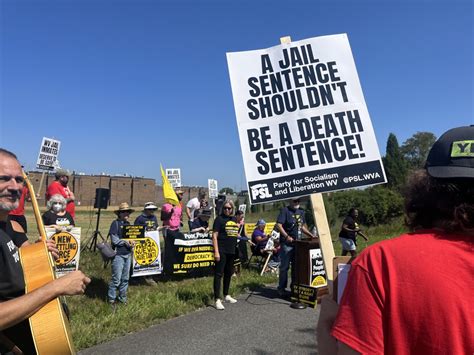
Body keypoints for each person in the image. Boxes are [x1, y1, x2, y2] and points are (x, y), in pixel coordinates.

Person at [324, 126, 474, 354]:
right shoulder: (376, 263)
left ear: (424, 187)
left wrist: (329, 321)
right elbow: (349, 228)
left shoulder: (380, 263)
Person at [0, 148, 90, 354]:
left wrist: (37, 252)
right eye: (4, 179)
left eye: (18, 179)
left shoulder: (9, 225)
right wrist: (56, 288)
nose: (15, 187)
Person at [276, 198, 317, 297]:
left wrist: (311, 235)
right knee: (284, 267)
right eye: (295, 201)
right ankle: (281, 288)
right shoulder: (285, 211)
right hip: (287, 244)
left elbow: (302, 226)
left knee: (296, 267)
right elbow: (279, 225)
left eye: (298, 201)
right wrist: (286, 236)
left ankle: (294, 288)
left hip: (298, 244)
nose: (297, 203)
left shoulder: (301, 211)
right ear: (290, 201)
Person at [212, 199, 239, 310]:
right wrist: (216, 252)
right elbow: (214, 236)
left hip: (231, 250)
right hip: (221, 250)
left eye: (229, 208)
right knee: (219, 274)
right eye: (225, 208)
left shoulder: (233, 219)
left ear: (232, 209)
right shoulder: (219, 219)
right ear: (222, 208)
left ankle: (226, 294)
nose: (227, 210)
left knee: (229, 273)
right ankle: (217, 299)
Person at [108, 202, 135, 307]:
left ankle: (122, 298)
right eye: (124, 212)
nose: (126, 213)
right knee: (116, 279)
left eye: (128, 211)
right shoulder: (115, 224)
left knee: (125, 278)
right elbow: (114, 240)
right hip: (118, 255)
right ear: (119, 213)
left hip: (128, 254)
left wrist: (132, 243)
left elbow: (132, 238)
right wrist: (125, 241)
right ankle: (111, 299)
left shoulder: (128, 225)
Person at [133, 202, 159, 286]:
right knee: (141, 259)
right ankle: (137, 278)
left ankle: (149, 277)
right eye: (150, 209)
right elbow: (135, 230)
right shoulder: (139, 219)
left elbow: (156, 227)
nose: (152, 211)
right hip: (142, 243)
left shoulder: (154, 217)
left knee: (151, 258)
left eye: (153, 209)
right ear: (146, 210)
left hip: (151, 242)